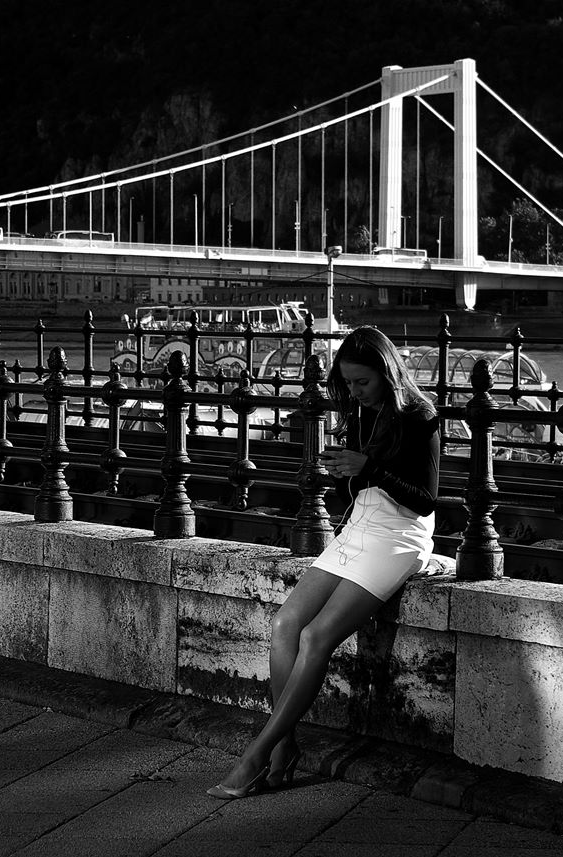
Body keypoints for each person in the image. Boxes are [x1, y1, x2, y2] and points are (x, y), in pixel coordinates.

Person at [206, 326, 441, 800]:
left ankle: (258, 754)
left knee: (317, 636)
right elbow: (356, 486)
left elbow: (425, 500)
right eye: (348, 383)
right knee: (285, 624)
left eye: (362, 382)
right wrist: (343, 473)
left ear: (388, 374)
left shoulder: (421, 418)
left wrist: (368, 468)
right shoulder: (359, 413)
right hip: (356, 528)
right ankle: (285, 748)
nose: (354, 392)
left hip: (398, 537)